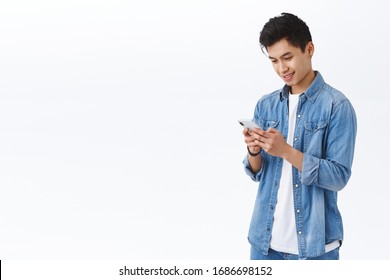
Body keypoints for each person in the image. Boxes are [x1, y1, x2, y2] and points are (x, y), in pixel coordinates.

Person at [242, 13, 357, 260]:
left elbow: (338, 177)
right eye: (274, 60)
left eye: (287, 57)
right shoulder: (266, 105)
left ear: (309, 49)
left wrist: (286, 151)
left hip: (315, 249)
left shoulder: (337, 106)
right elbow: (257, 173)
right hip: (264, 244)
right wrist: (254, 150)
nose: (282, 69)